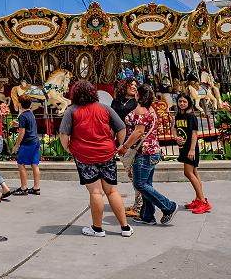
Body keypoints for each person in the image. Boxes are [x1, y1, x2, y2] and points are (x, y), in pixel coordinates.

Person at [58, 80, 131, 238]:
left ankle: (97, 229)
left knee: (96, 192)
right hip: (107, 153)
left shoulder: (72, 111)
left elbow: (64, 135)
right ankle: (125, 227)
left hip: (84, 156)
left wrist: (68, 148)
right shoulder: (105, 108)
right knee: (112, 190)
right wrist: (119, 145)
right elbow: (121, 128)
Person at [120, 84, 177, 226]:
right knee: (147, 184)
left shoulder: (140, 109)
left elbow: (138, 132)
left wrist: (124, 146)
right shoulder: (151, 109)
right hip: (153, 151)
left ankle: (169, 206)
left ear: (138, 95)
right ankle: (147, 215)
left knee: (139, 184)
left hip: (144, 153)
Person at [111, 79, 142, 217]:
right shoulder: (116, 102)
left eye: (136, 86)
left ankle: (139, 205)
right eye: (131, 85)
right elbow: (112, 121)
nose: (134, 87)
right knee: (131, 173)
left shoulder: (136, 102)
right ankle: (139, 202)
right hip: (121, 140)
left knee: (136, 174)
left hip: (133, 140)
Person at [174, 94, 209, 214]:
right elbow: (175, 128)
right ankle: (199, 199)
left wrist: (192, 149)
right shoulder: (179, 115)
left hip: (190, 148)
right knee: (194, 172)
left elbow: (194, 134)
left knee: (188, 172)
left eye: (184, 101)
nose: (182, 103)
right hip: (183, 148)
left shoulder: (191, 117)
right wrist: (176, 137)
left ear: (189, 102)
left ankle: (203, 201)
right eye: (180, 101)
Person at [10, 95, 41, 196]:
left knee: (21, 164)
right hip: (35, 141)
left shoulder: (22, 116)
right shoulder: (30, 113)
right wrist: (17, 124)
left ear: (19, 104)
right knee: (34, 164)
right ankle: (36, 187)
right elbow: (27, 126)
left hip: (27, 143)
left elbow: (22, 132)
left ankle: (24, 187)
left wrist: (16, 145)